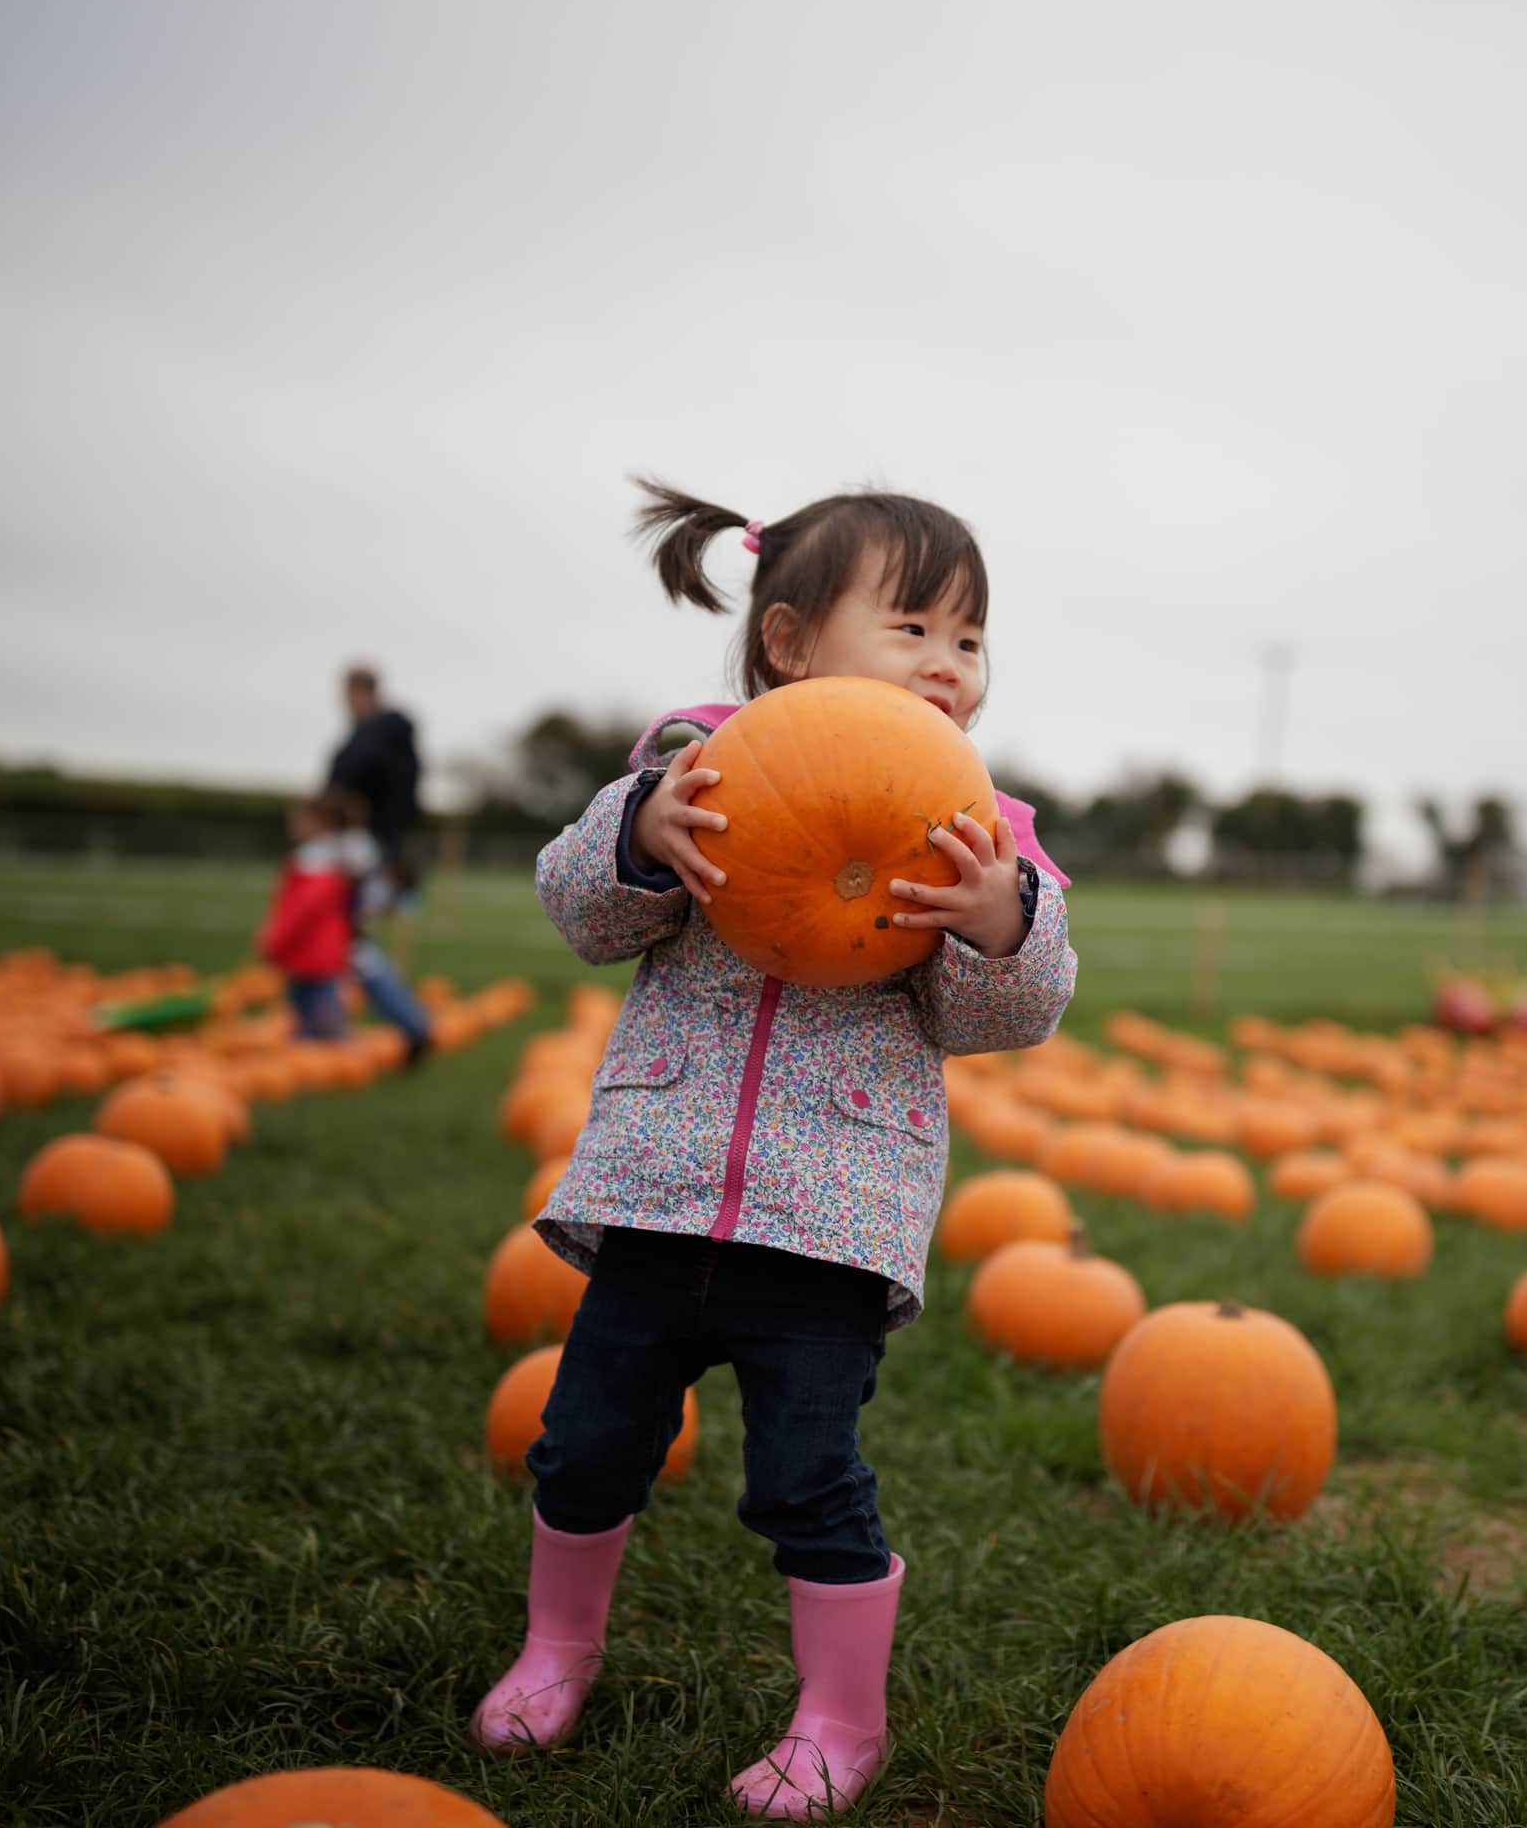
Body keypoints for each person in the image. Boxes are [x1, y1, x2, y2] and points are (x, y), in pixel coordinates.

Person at [471, 479, 1077, 1819]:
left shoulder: (983, 827)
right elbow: (584, 913)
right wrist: (638, 838)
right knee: (583, 1443)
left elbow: (1007, 1018)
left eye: (970, 640)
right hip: (656, 1198)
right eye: (913, 625)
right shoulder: (694, 764)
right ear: (792, 644)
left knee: (808, 1474)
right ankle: (556, 1652)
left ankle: (840, 1722)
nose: (948, 664)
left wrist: (997, 921)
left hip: (830, 1220)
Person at [324, 665, 434, 1059]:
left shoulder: (377, 737)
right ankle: (403, 1022)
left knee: (347, 940)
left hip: (366, 851)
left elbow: (352, 790)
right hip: (369, 847)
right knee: (344, 939)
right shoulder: (377, 737)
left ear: (360, 692)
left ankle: (412, 1023)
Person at [254, 796, 355, 1040]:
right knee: (308, 1018)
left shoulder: (313, 866)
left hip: (312, 954)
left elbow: (298, 913)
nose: (294, 824)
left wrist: (274, 941)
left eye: (300, 819)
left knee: (322, 1022)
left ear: (320, 824)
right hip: (314, 954)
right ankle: (316, 1045)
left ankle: (332, 1049)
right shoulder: (325, 861)